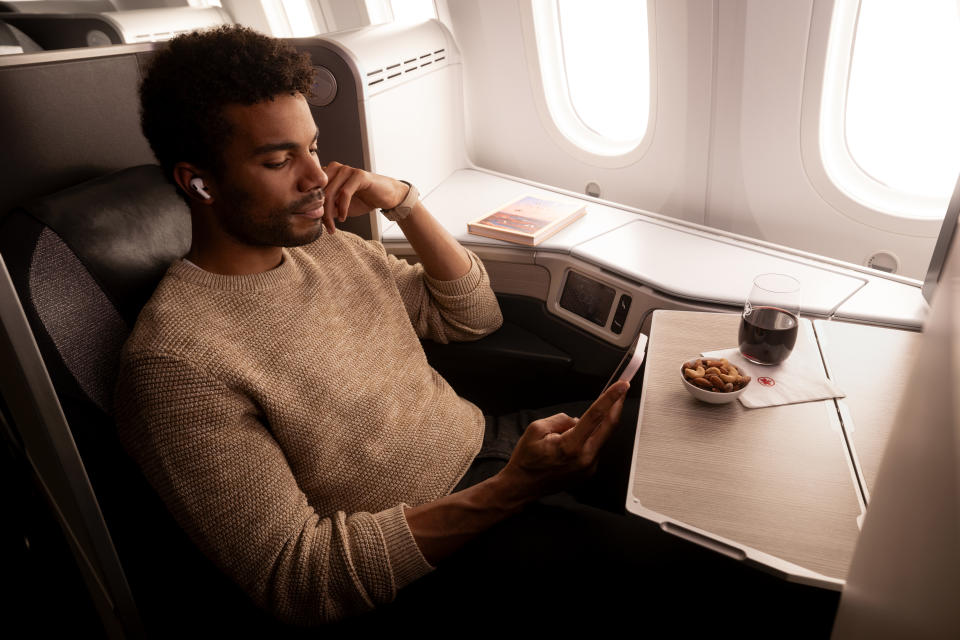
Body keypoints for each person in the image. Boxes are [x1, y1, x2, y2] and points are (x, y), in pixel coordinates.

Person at [116, 25, 634, 628]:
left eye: (313, 147)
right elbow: (299, 576)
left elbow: (472, 317)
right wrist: (513, 489)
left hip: (492, 448)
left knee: (671, 429)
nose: (316, 177)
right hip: (432, 545)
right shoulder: (176, 362)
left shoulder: (333, 250)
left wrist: (404, 202)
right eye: (280, 160)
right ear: (197, 181)